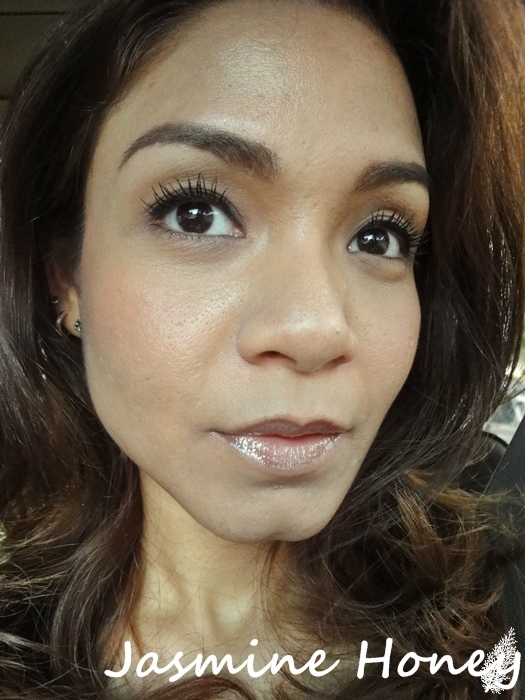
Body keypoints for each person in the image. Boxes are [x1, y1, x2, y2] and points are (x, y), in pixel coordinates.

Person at [0, 0, 524, 698]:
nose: (316, 330)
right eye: (196, 214)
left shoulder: (497, 612)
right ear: (66, 277)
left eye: (378, 235)